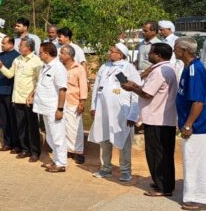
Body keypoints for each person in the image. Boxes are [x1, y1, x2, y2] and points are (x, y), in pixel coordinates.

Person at [121, 43, 178, 197]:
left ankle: (163, 187)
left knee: (157, 153)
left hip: (157, 118)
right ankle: (164, 182)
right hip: (164, 117)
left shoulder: (159, 71)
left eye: (151, 53)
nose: (148, 55)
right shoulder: (168, 68)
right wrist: (135, 85)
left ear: (158, 55)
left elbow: (147, 94)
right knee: (164, 153)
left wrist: (132, 88)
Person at [174, 37, 206, 210]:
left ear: (184, 50)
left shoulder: (195, 69)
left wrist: (188, 124)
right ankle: (198, 195)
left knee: (198, 162)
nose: (174, 50)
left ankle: (202, 198)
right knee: (194, 160)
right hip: (192, 124)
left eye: (176, 48)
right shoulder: (188, 68)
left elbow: (198, 101)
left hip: (197, 126)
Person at [88, 43, 141, 182]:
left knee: (123, 142)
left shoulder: (129, 68)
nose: (109, 53)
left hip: (122, 111)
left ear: (121, 54)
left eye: (112, 51)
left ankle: (125, 171)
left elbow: (136, 92)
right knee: (104, 139)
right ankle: (106, 168)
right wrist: (93, 107)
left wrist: (133, 114)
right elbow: (97, 88)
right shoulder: (104, 67)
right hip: (103, 110)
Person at [0, 37, 43, 162]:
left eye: (21, 45)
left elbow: (40, 81)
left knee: (32, 127)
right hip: (17, 98)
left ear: (29, 47)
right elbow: (10, 74)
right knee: (21, 125)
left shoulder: (36, 61)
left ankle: (35, 152)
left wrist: (33, 95)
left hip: (29, 100)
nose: (19, 47)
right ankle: (25, 149)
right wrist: (1, 66)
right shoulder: (17, 60)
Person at [32, 42, 68, 172]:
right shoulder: (44, 67)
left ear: (47, 53)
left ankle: (61, 163)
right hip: (44, 107)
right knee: (50, 137)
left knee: (58, 136)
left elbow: (62, 90)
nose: (39, 54)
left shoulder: (58, 68)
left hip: (53, 108)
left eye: (40, 52)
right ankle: (56, 160)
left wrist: (60, 109)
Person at [59, 44, 89, 164]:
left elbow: (83, 86)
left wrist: (82, 102)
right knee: (63, 127)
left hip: (74, 101)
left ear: (69, 55)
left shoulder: (79, 68)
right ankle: (67, 150)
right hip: (61, 101)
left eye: (62, 53)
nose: (59, 55)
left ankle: (79, 152)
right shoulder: (60, 67)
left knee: (75, 127)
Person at [0, 36, 20, 153]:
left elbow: (12, 75)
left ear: (11, 44)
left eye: (4, 43)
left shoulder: (17, 56)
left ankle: (16, 144)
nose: (2, 45)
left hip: (11, 91)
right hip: (1, 90)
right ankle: (7, 143)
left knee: (12, 119)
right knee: (4, 119)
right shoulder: (0, 55)